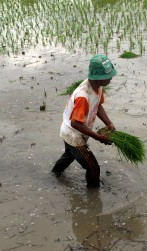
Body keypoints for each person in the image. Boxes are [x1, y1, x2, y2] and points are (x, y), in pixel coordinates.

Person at [52, 54, 117, 188]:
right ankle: (93, 199)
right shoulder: (83, 95)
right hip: (73, 136)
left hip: (72, 132)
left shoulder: (98, 87)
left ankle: (54, 175)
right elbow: (76, 123)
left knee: (69, 156)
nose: (111, 78)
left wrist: (108, 123)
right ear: (99, 77)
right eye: (108, 76)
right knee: (93, 168)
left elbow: (98, 105)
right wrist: (98, 137)